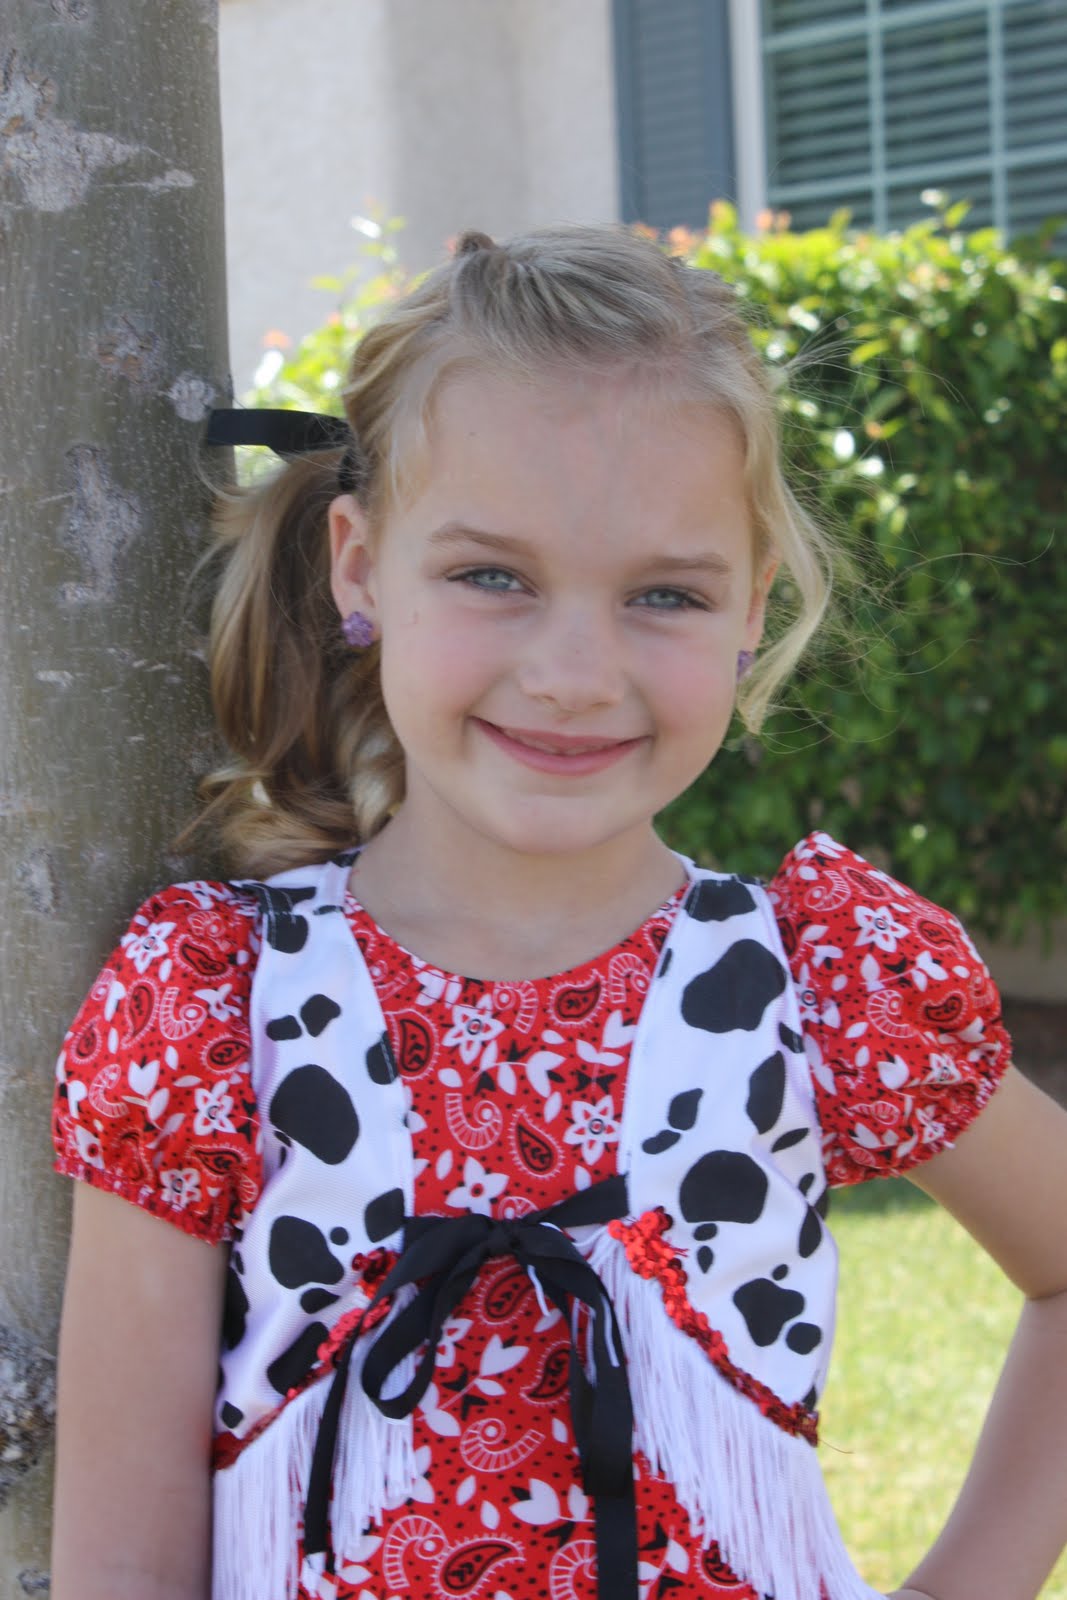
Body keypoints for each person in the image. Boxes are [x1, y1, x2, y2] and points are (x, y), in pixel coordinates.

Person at [50, 225, 1067, 1600]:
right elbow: (121, 1567)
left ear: (751, 611)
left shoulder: (817, 985)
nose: (576, 672)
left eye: (666, 594)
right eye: (494, 576)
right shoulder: (217, 1000)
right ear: (360, 566)